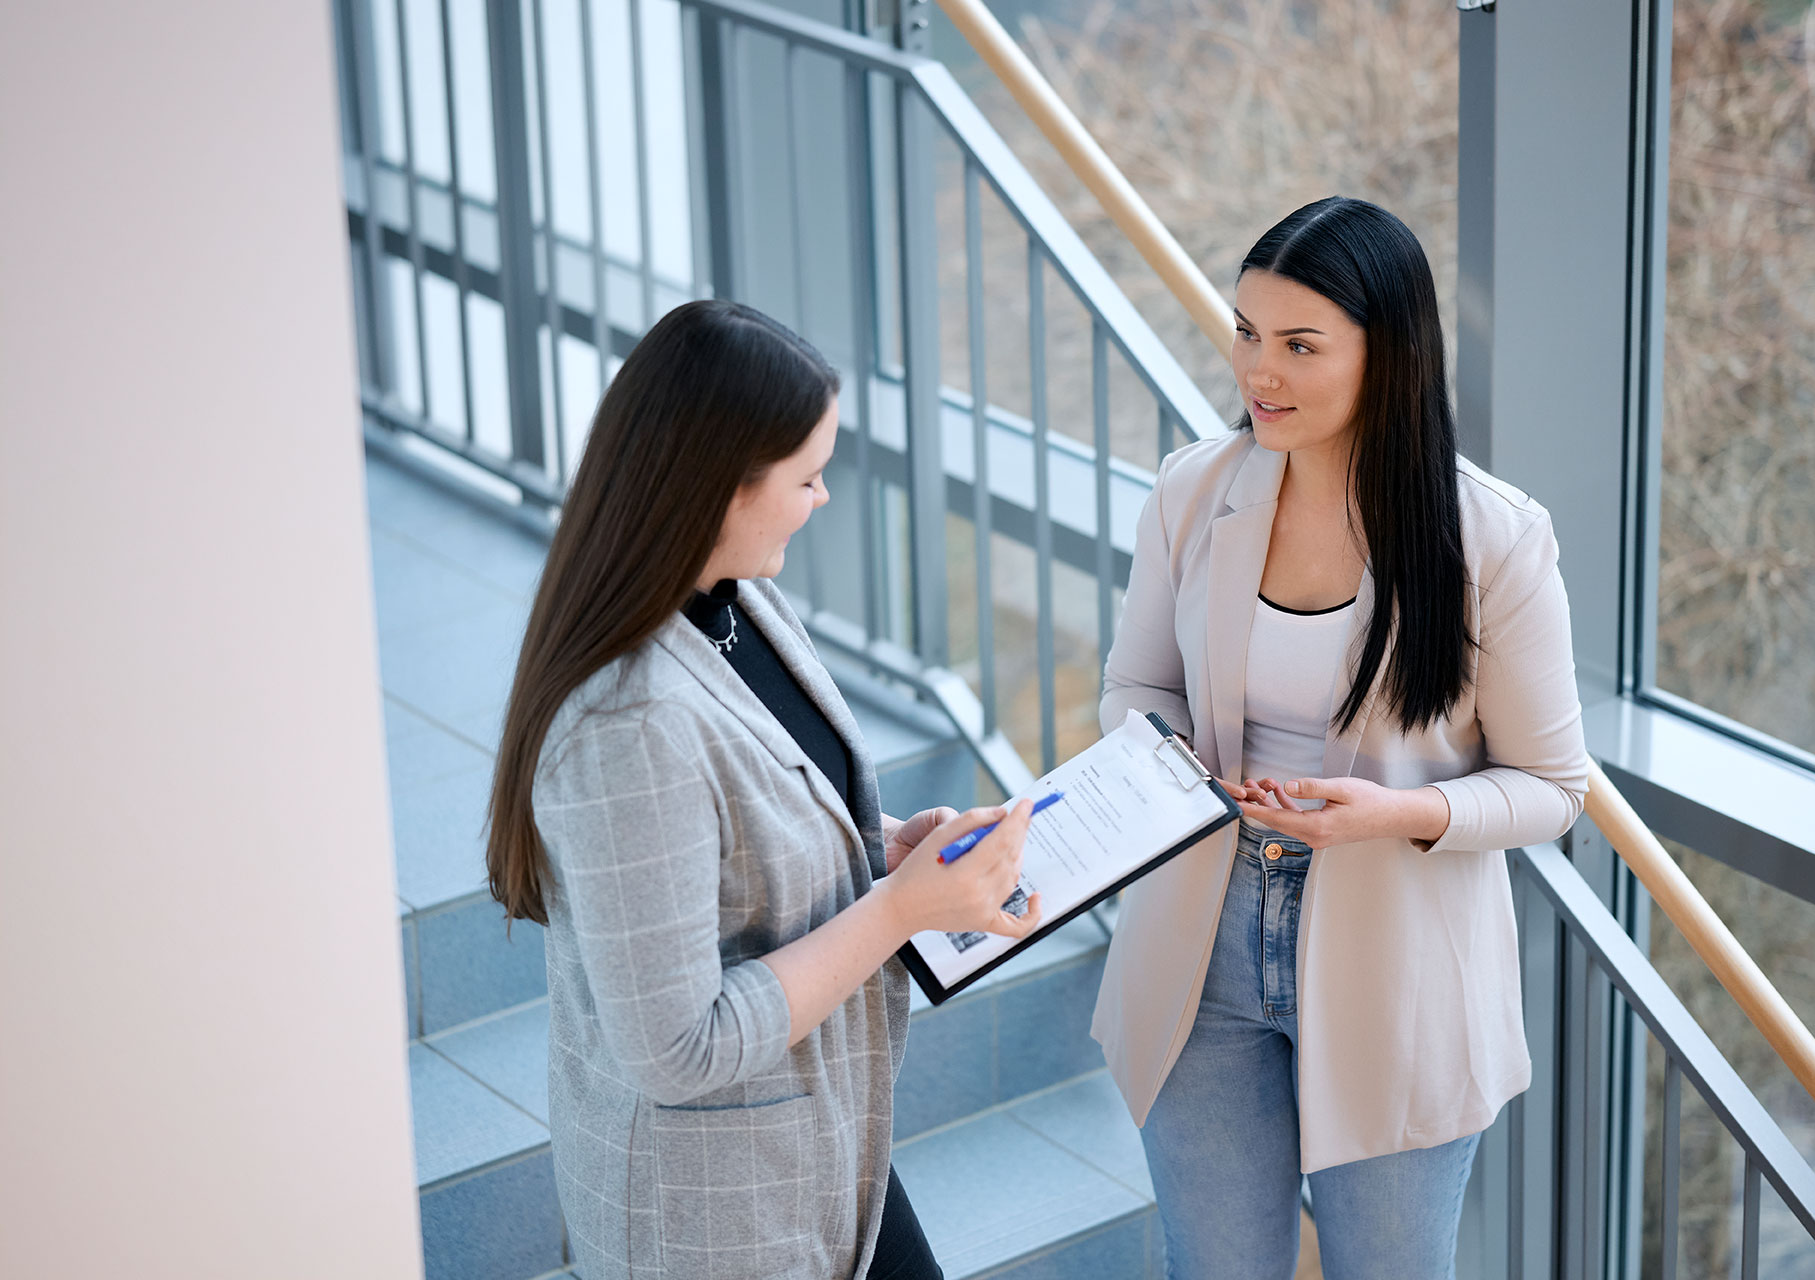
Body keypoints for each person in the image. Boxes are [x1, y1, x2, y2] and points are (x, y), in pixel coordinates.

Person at [484, 299, 1044, 1280]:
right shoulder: (627, 726)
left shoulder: (739, 601)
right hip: (719, 1210)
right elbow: (676, 1048)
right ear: (717, 489)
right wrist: (896, 909)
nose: (823, 497)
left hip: (826, 1148)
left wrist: (884, 847)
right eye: (808, 476)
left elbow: (747, 832)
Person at [1092, 197, 1588, 1279]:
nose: (1257, 371)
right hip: (1200, 935)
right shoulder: (1193, 489)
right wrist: (1171, 760)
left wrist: (1396, 815)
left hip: (1397, 954)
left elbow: (1553, 785)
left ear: (1390, 351)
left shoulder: (1493, 538)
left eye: (1299, 345)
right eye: (1246, 332)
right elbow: (1136, 683)